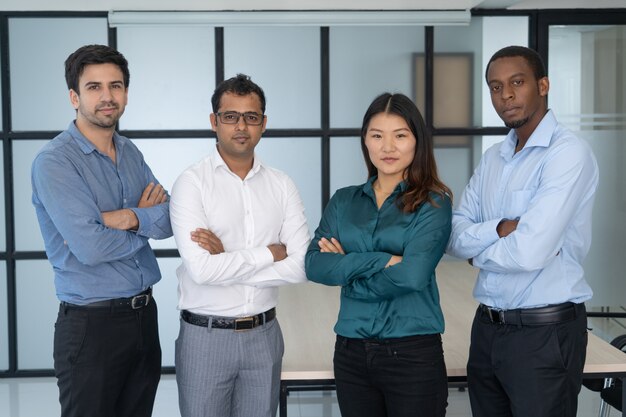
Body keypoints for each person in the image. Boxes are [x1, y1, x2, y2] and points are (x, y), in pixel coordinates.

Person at [446, 45, 599, 417]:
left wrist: (478, 251)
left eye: (517, 82)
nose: (506, 95)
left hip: (544, 334)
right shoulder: (493, 158)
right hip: (487, 330)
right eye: (496, 87)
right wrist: (500, 228)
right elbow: (452, 235)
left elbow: (529, 252)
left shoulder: (567, 154)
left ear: (543, 85)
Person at [31, 44, 172, 417]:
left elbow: (171, 217)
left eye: (116, 86)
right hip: (92, 326)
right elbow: (90, 247)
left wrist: (124, 217)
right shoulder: (55, 162)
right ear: (74, 97)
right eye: (94, 87)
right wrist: (143, 218)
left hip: (144, 317)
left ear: (126, 93)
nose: (107, 97)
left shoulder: (130, 153)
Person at [170, 73, 310, 417]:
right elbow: (202, 271)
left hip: (264, 336)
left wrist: (228, 261)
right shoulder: (191, 184)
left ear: (264, 124)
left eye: (251, 117)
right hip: (206, 337)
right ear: (214, 122)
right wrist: (269, 254)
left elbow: (302, 264)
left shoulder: (282, 185)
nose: (241, 126)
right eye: (230, 116)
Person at [305, 93, 452, 417]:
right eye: (377, 136)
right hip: (350, 352)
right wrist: (383, 260)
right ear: (365, 142)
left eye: (400, 135)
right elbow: (314, 264)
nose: (388, 147)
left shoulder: (433, 203)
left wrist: (347, 272)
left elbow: (413, 276)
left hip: (412, 353)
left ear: (417, 141)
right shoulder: (344, 201)